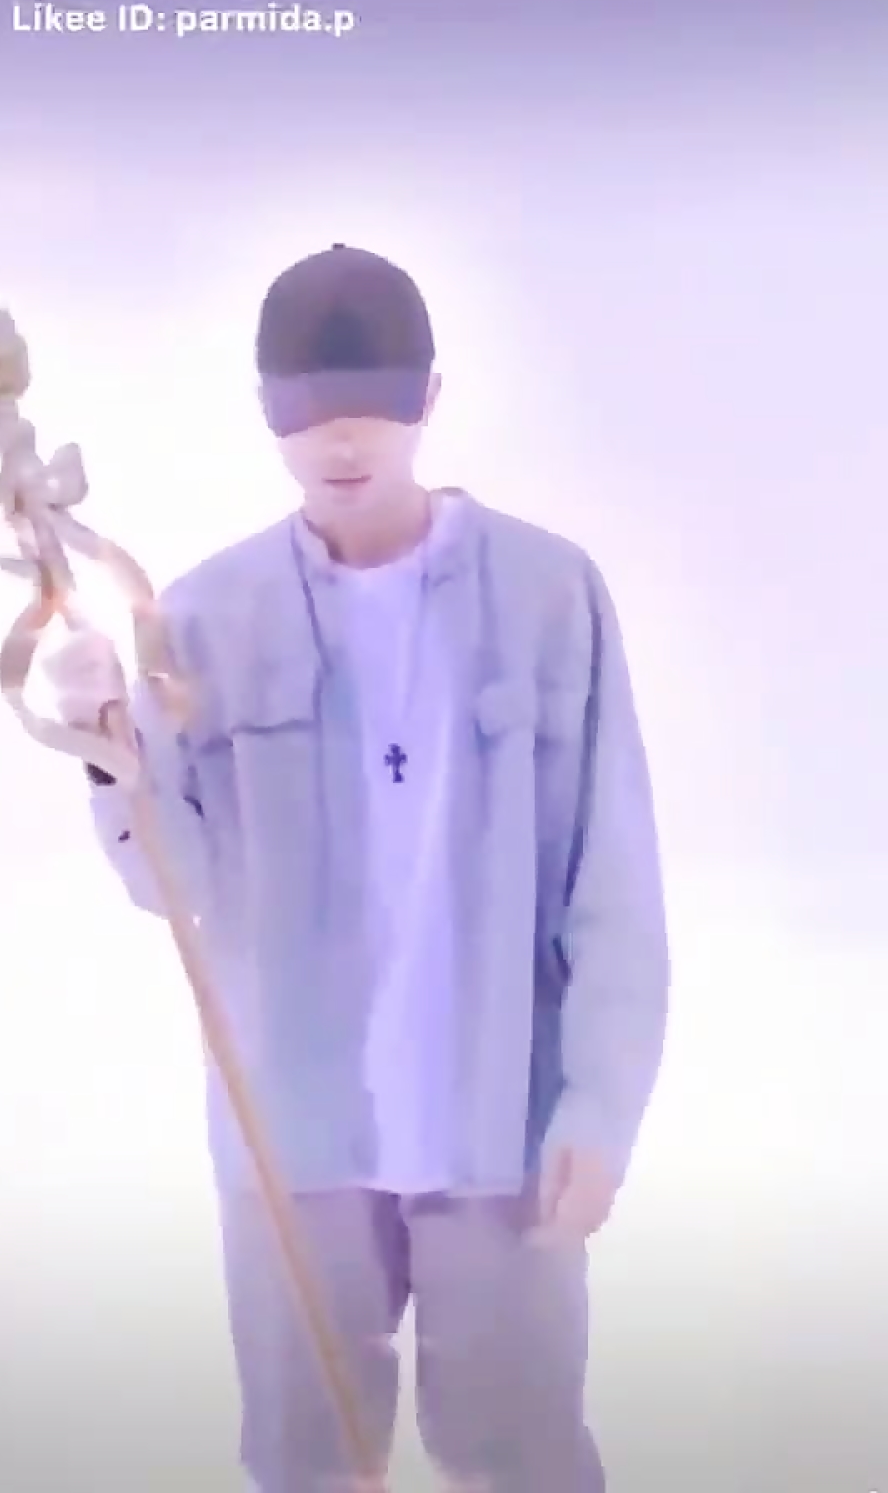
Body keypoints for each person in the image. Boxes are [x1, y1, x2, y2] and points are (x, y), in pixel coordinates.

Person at [45, 244, 669, 1492]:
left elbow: (613, 880)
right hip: (294, 1136)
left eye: (374, 404)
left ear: (429, 397)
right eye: (307, 410)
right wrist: (109, 747)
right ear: (265, 411)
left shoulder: (550, 594)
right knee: (304, 1459)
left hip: (503, 1126)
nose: (341, 440)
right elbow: (176, 885)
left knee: (522, 1454)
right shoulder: (201, 618)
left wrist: (601, 1108)